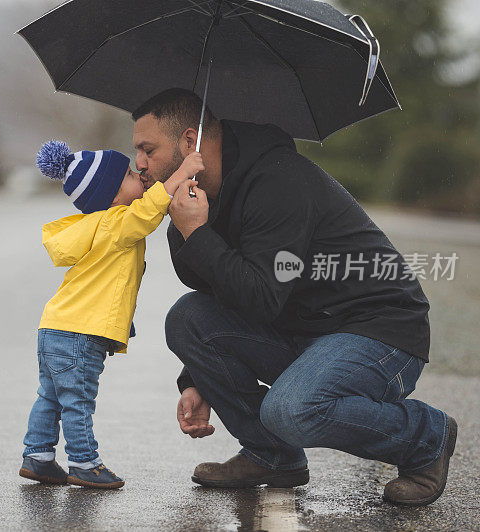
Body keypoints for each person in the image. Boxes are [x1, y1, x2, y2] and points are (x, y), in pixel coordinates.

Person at [132, 88, 456, 506]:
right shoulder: (201, 197)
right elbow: (217, 292)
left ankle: (426, 436)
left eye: (147, 149)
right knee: (187, 319)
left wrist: (196, 232)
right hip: (306, 327)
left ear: (189, 141)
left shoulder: (279, 180)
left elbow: (263, 297)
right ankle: (273, 455)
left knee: (292, 410)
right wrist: (199, 378)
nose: (139, 163)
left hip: (378, 330)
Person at [19, 139, 204, 489]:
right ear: (114, 195)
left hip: (55, 327)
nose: (141, 175)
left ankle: (38, 455)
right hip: (78, 333)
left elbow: (149, 207)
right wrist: (184, 170)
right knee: (78, 400)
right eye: (132, 175)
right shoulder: (116, 223)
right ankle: (84, 463)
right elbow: (149, 210)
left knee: (51, 396)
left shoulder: (98, 226)